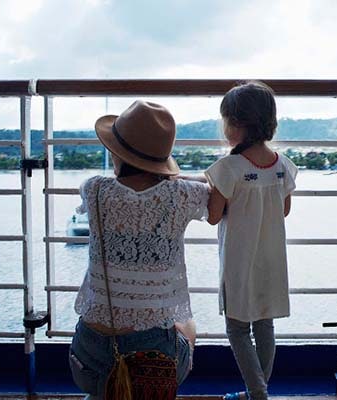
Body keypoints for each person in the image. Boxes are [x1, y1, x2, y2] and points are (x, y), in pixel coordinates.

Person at [68, 100, 206, 399]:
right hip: (151, 363)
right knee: (188, 325)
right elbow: (213, 187)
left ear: (117, 152)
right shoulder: (185, 193)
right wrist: (173, 177)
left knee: (106, 384)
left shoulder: (93, 189)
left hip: (88, 359)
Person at [205, 81, 296, 400]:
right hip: (271, 259)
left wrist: (211, 189)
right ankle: (258, 388)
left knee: (238, 329)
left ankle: (257, 392)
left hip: (239, 261)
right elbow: (284, 209)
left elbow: (214, 216)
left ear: (237, 124)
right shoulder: (282, 165)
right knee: (264, 324)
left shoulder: (228, 168)